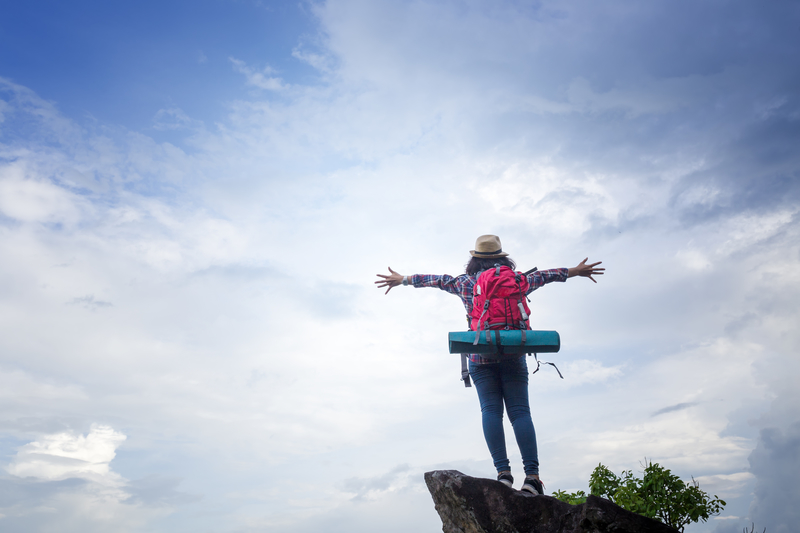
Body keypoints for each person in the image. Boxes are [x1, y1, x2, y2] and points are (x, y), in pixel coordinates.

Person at [374, 234, 604, 495]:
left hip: (479, 358)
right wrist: (576, 271)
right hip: (513, 355)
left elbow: (435, 280)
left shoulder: (464, 283)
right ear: (502, 256)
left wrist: (403, 279)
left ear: (474, 258)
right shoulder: (518, 280)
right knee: (520, 413)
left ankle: (503, 474)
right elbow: (547, 275)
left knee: (491, 412)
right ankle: (532, 478)